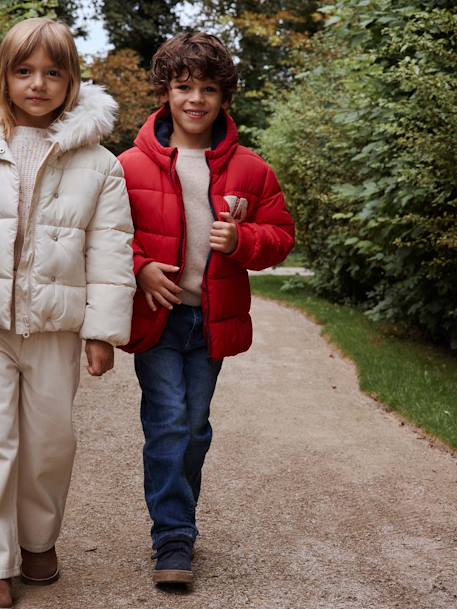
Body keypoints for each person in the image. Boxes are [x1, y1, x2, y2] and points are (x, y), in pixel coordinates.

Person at [119, 32, 294, 586]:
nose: (196, 99)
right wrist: (140, 266)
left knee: (194, 427)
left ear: (225, 96)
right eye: (183, 86)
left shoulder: (251, 168)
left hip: (209, 321)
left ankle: (178, 521)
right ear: (165, 91)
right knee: (168, 422)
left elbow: (281, 236)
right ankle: (174, 537)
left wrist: (242, 241)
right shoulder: (127, 165)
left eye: (209, 89)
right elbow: (105, 235)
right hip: (158, 317)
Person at [0, 17, 135, 607]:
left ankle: (37, 540)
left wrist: (102, 331)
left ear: (72, 82)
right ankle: (1, 563)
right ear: (4, 77)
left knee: (50, 442)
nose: (37, 83)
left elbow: (110, 249)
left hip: (54, 327)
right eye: (23, 71)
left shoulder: (99, 163)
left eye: (53, 72)